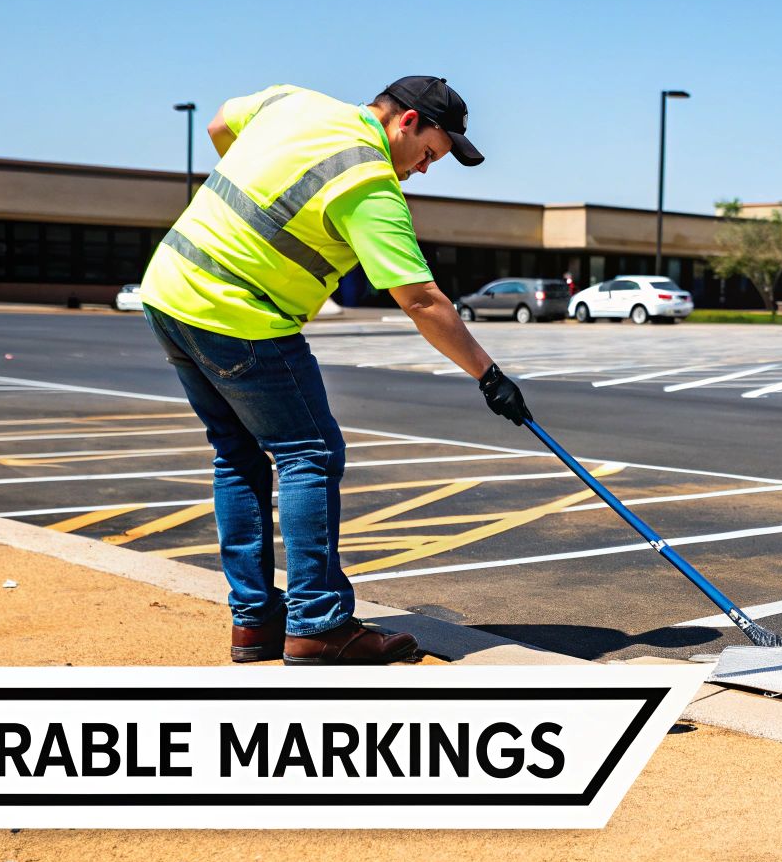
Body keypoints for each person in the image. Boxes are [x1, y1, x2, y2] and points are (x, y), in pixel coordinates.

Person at [137, 77, 532, 665]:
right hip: (241, 313)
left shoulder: (294, 102)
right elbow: (421, 300)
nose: (423, 171)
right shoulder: (366, 180)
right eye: (428, 155)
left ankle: (255, 623)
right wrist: (488, 374)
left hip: (169, 291)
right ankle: (319, 624)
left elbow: (220, 123)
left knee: (237, 454)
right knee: (309, 454)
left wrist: (261, 201)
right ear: (407, 123)